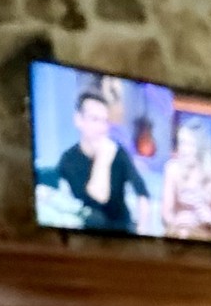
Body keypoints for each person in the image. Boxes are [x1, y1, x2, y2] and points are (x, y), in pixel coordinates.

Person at [52, 88, 148, 232]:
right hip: (86, 235)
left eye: (104, 121)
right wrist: (103, 157)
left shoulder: (118, 152)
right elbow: (98, 197)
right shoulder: (68, 160)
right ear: (79, 120)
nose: (102, 128)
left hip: (124, 233)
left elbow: (142, 192)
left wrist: (142, 232)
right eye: (94, 119)